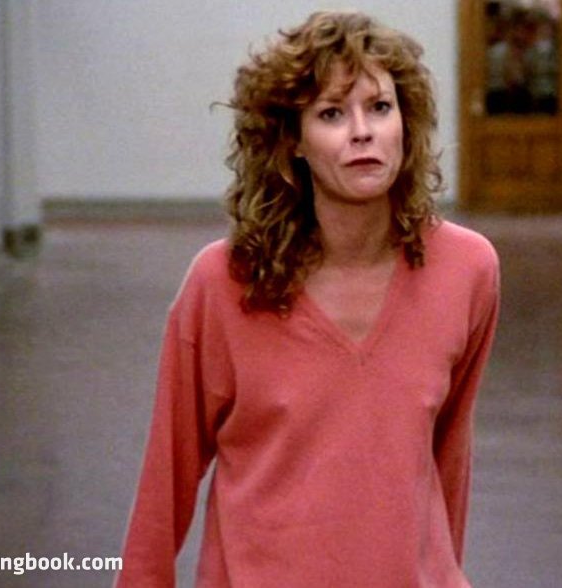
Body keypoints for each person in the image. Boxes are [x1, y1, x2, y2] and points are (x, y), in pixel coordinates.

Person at [116, 11, 499, 587]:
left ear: (406, 122)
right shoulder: (223, 282)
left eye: (380, 107)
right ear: (292, 140)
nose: (362, 132)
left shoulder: (467, 270)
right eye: (331, 114)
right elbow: (166, 476)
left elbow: (447, 456)